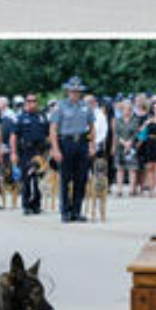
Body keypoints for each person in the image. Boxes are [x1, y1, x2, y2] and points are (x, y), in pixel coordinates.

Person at [49, 75, 95, 223]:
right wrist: (55, 149)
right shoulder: (60, 106)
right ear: (68, 91)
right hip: (65, 143)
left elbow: (92, 127)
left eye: (78, 91)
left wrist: (92, 144)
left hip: (81, 143)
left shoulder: (85, 106)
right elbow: (53, 129)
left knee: (81, 179)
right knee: (65, 179)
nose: (75, 93)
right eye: (72, 90)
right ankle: (65, 211)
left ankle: (76, 210)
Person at [10, 91, 49, 214]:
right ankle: (26, 205)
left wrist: (49, 151)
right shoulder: (20, 117)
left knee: (39, 179)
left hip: (40, 151)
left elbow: (48, 134)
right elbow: (13, 136)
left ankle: (36, 205)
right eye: (29, 101)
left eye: (34, 101)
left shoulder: (42, 117)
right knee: (26, 178)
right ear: (25, 103)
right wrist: (13, 152)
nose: (32, 103)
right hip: (26, 151)